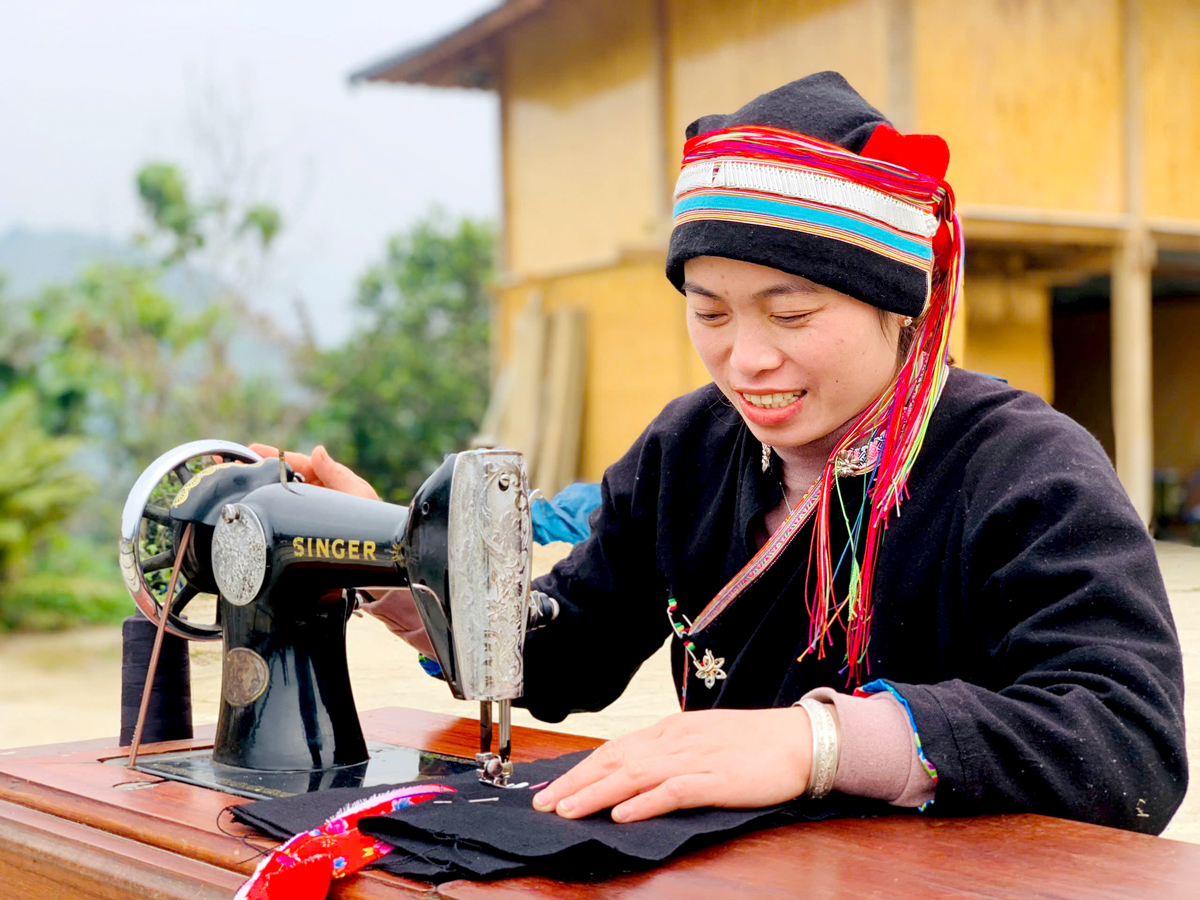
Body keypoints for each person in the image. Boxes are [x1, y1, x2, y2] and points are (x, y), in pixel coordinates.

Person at [259, 72, 1186, 834]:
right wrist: (404, 576)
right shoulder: (688, 449)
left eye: (791, 313)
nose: (746, 359)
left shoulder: (1027, 469)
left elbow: (1128, 741)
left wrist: (812, 745)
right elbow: (567, 653)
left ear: (897, 306)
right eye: (709, 312)